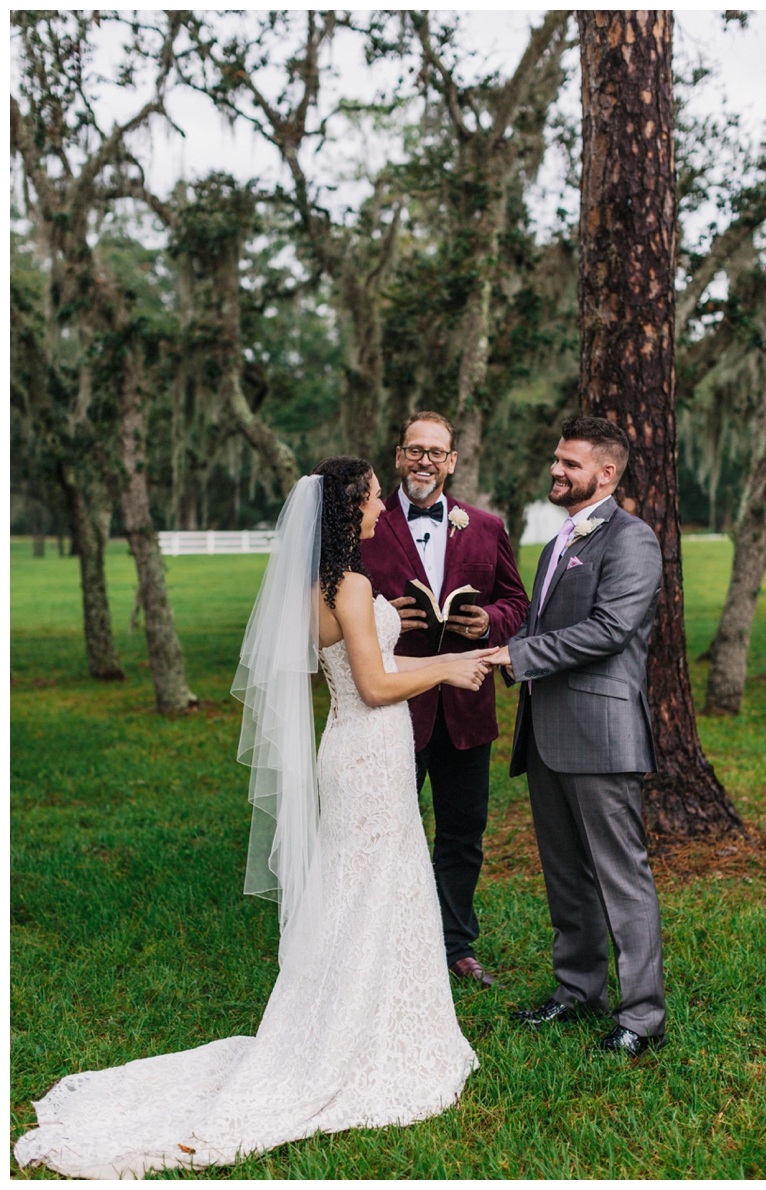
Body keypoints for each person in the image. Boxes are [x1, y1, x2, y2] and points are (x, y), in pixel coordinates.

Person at [15, 457, 498, 1179]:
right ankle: (364, 1041)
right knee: (377, 885)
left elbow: (344, 660)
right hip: (370, 750)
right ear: (350, 508)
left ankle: (343, 1020)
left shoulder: (317, 590)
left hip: (348, 749)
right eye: (370, 498)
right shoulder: (356, 583)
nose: (378, 509)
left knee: (358, 888)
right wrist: (448, 668)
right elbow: (372, 684)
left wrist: (384, 625)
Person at [490, 417, 667, 1057]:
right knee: (565, 877)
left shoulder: (632, 541)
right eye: (556, 460)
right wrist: (493, 643)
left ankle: (642, 1017)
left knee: (622, 878)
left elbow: (608, 630)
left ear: (606, 473)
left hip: (602, 733)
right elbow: (542, 622)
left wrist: (517, 657)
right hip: (546, 734)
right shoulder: (556, 543)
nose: (557, 471)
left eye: (570, 463)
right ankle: (577, 991)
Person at [361, 412, 528, 988]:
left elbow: (516, 602)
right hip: (392, 707)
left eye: (436, 452)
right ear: (399, 455)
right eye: (415, 450)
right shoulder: (366, 524)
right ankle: (383, 943)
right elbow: (337, 602)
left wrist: (487, 622)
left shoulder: (484, 526)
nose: (425, 461)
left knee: (463, 831)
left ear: (452, 461)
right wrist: (384, 616)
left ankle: (455, 945)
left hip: (466, 710)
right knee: (385, 830)